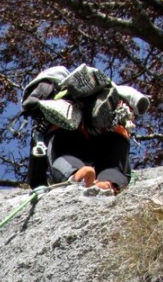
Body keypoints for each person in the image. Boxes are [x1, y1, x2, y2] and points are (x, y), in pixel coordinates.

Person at [22, 64, 149, 194]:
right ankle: (109, 184)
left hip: (66, 125)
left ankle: (78, 176)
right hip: (112, 127)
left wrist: (37, 182)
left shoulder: (49, 101)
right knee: (113, 161)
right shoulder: (105, 88)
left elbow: (36, 175)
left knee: (65, 154)